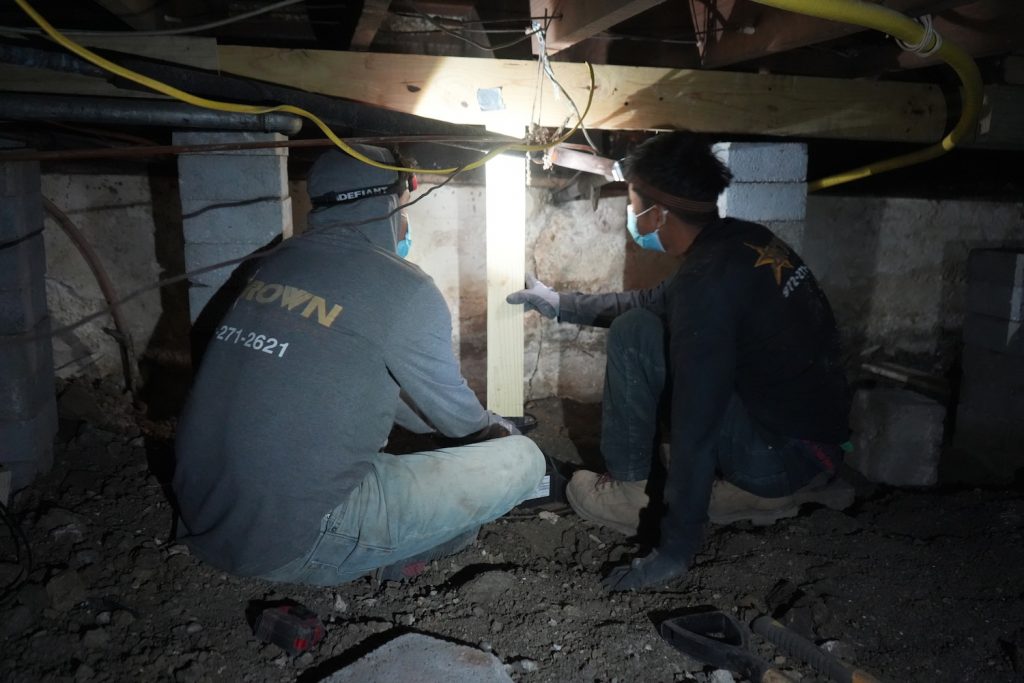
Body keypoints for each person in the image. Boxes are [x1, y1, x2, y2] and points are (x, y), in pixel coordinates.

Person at [172, 144, 545, 585]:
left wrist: (437, 429)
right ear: (390, 200)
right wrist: (498, 430)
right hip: (297, 540)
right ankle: (376, 555)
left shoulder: (276, 261)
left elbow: (375, 385)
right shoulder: (405, 287)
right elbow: (462, 421)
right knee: (523, 460)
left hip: (206, 514)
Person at [507, 131, 852, 591]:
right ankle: (765, 483)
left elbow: (697, 423)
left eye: (633, 204)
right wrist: (561, 303)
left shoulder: (706, 285)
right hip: (814, 441)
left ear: (660, 212)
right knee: (642, 326)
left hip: (780, 458)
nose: (632, 217)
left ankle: (637, 492)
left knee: (636, 341)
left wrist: (673, 549)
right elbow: (650, 302)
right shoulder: (743, 242)